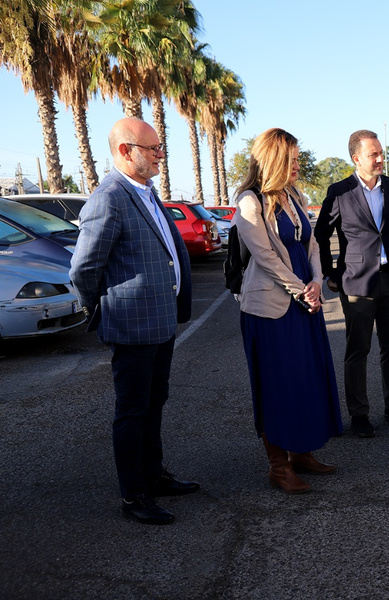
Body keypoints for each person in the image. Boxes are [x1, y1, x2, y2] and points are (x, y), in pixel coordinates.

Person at [70, 117, 197, 525]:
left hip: (160, 322)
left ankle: (154, 475)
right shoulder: (109, 197)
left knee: (153, 404)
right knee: (132, 410)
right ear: (126, 151)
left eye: (160, 148)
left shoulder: (146, 192)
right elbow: (83, 269)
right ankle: (134, 495)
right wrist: (104, 309)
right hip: (132, 324)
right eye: (154, 148)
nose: (161, 155)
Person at [232, 128, 343, 494]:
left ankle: (302, 454)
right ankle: (278, 467)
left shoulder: (295, 195)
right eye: (293, 158)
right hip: (271, 308)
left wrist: (316, 279)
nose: (298, 163)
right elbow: (264, 257)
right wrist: (300, 289)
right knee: (277, 385)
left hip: (303, 299)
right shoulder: (250, 201)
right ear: (275, 159)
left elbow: (312, 243)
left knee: (306, 377)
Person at [314, 130, 389, 437]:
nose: (380, 159)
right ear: (356, 158)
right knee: (357, 350)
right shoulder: (340, 192)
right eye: (374, 155)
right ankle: (359, 414)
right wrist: (330, 273)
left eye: (381, 153)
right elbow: (321, 234)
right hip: (357, 283)